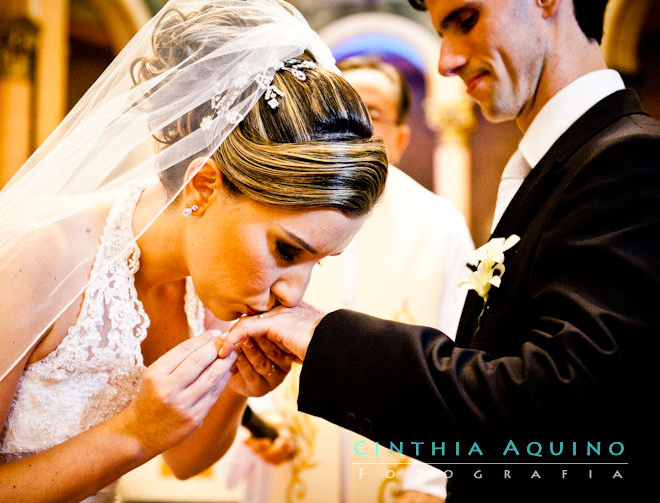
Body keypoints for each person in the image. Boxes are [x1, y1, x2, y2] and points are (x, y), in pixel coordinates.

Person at [0, 1, 388, 501]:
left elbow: (186, 459)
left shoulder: (213, 283)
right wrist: (131, 435)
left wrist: (235, 393)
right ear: (203, 185)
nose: (294, 294)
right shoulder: (31, 259)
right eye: (288, 251)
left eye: (317, 263)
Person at [221, 0, 660, 501]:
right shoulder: (561, 167)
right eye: (440, 32)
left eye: (466, 19)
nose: (445, 61)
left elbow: (566, 410)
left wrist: (325, 337)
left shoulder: (631, 159)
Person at [236, 55, 473, 503]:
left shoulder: (439, 225)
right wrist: (262, 418)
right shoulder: (286, 210)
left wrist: (427, 481)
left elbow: (456, 349)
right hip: (290, 466)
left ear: (402, 138)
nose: (356, 127)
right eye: (344, 109)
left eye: (374, 114)